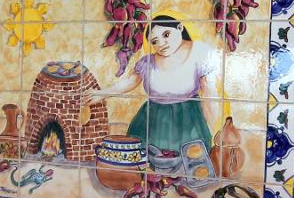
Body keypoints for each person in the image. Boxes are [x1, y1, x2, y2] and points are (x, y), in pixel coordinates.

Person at [86, 15, 218, 172]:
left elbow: (210, 95)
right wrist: (102, 93)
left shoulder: (199, 52)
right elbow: (130, 82)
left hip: (188, 123)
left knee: (187, 166)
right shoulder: (148, 62)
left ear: (180, 28)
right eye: (155, 41)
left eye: (166, 35)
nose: (161, 44)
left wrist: (212, 130)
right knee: (145, 166)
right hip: (150, 122)